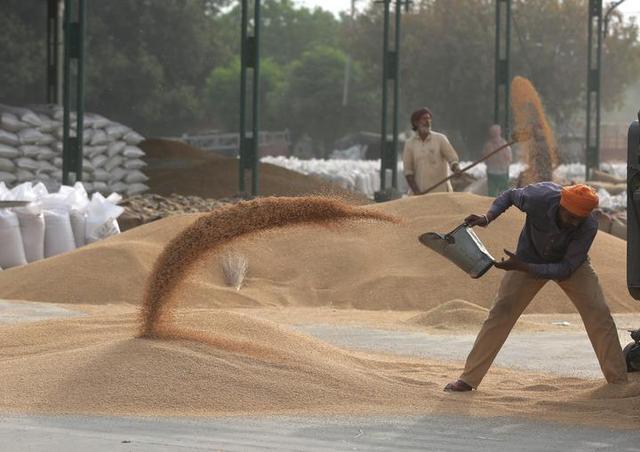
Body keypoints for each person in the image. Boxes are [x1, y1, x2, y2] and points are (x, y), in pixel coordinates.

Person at [444, 182, 629, 392]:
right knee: (501, 312)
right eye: (569, 217)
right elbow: (510, 195)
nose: (572, 223)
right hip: (527, 257)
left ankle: (618, 382)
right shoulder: (539, 197)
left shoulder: (588, 226)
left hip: (569, 265)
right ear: (560, 205)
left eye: (578, 220)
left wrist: (525, 267)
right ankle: (468, 379)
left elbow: (566, 268)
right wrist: (488, 217)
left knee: (599, 313)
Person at [402, 107, 461, 195]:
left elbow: (452, 159)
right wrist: (417, 192)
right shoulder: (410, 144)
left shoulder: (440, 139)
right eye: (424, 119)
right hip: (420, 194)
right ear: (416, 123)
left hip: (441, 193)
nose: (428, 121)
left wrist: (456, 168)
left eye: (429, 118)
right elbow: (408, 172)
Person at [483, 124, 512, 196]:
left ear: (500, 132)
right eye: (493, 131)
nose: (495, 133)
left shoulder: (504, 144)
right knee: (492, 193)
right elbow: (485, 159)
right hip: (492, 172)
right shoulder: (488, 145)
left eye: (496, 131)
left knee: (503, 193)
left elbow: (509, 158)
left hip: (502, 172)